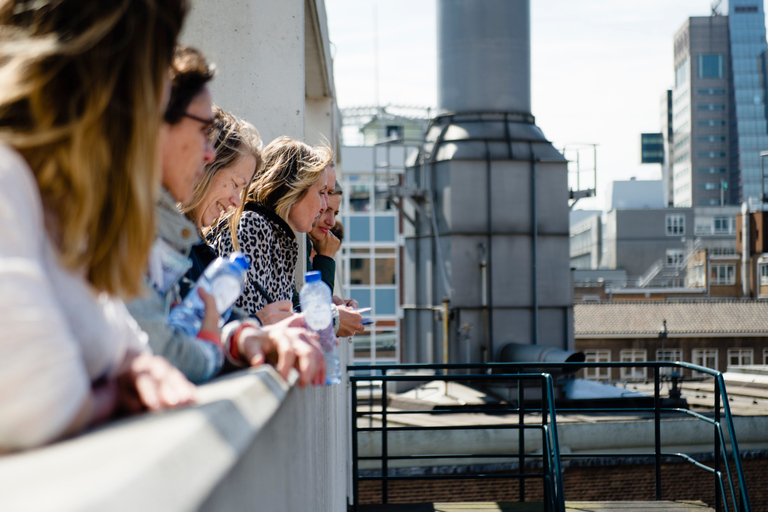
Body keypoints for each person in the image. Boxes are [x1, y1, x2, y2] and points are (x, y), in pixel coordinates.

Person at [0, 0, 195, 452]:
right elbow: (34, 402)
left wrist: (135, 366)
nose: (164, 96)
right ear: (113, 84)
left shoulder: (59, 205)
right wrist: (114, 395)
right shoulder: (8, 179)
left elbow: (122, 337)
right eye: (157, 69)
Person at [127, 50, 324, 386]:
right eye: (322, 192)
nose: (207, 153)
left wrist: (240, 334)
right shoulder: (133, 225)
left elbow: (205, 318)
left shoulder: (175, 234)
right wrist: (240, 337)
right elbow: (164, 345)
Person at [211, 137, 333, 319]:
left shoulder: (278, 235)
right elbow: (252, 320)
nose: (325, 205)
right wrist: (332, 319)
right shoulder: (253, 226)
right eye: (321, 192)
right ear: (293, 189)